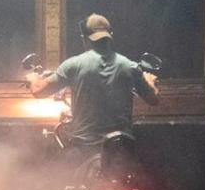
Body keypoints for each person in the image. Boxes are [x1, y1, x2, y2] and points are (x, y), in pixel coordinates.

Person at [25, 13, 159, 174]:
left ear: (85, 38)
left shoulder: (73, 65)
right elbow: (153, 99)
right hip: (121, 150)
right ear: (111, 36)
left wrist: (33, 77)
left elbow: (39, 91)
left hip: (83, 149)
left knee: (61, 183)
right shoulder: (130, 66)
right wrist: (150, 81)